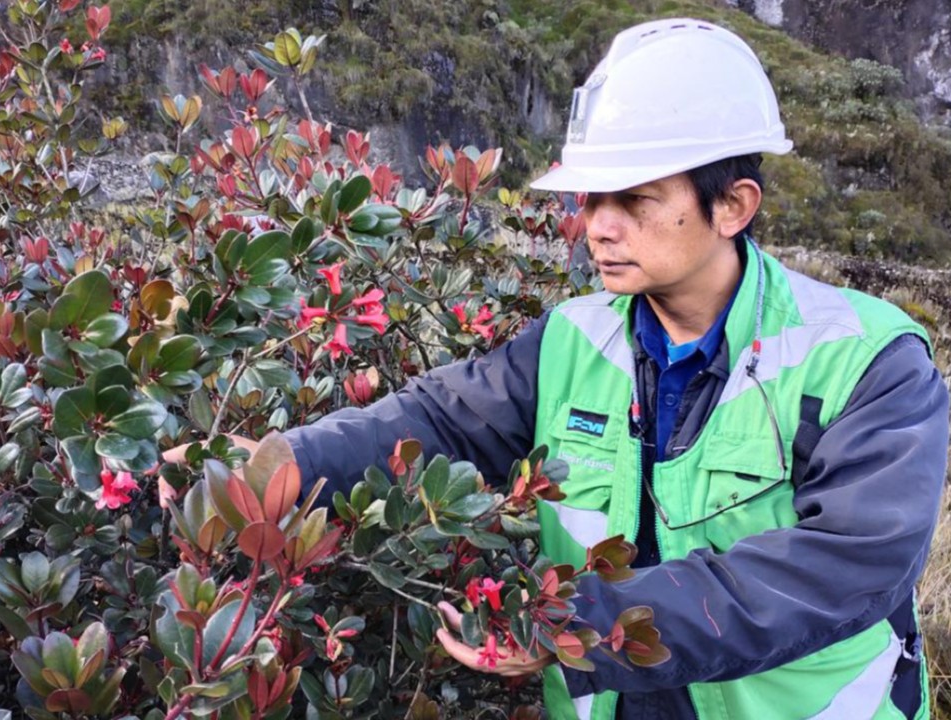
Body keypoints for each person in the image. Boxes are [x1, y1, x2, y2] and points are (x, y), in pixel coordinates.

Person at [187, 18, 950, 719]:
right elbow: (439, 420)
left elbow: (842, 567)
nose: (598, 227)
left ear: (734, 206)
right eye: (593, 198)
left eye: (637, 200)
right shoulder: (570, 341)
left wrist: (580, 627)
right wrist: (282, 464)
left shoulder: (867, 360)